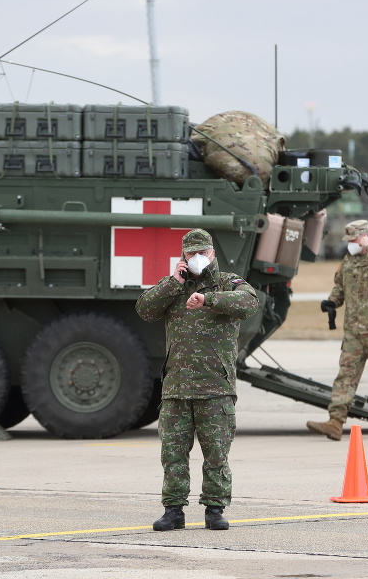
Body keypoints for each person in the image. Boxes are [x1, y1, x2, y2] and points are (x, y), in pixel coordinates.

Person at [136, 228, 258, 531]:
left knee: (216, 454)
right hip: (177, 388)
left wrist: (208, 300)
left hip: (215, 387)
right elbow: (144, 309)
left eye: (203, 252)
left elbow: (248, 302)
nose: (198, 258)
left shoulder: (227, 283)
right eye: (191, 253)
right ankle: (173, 510)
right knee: (173, 455)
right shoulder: (173, 287)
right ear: (183, 256)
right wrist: (173, 283)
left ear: (213, 254)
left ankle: (215, 510)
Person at [306, 219, 368, 441]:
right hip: (354, 331)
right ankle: (335, 422)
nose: (350, 244)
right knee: (345, 376)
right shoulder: (348, 261)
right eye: (348, 240)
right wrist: (332, 302)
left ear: (363, 237)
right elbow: (340, 286)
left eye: (353, 240)